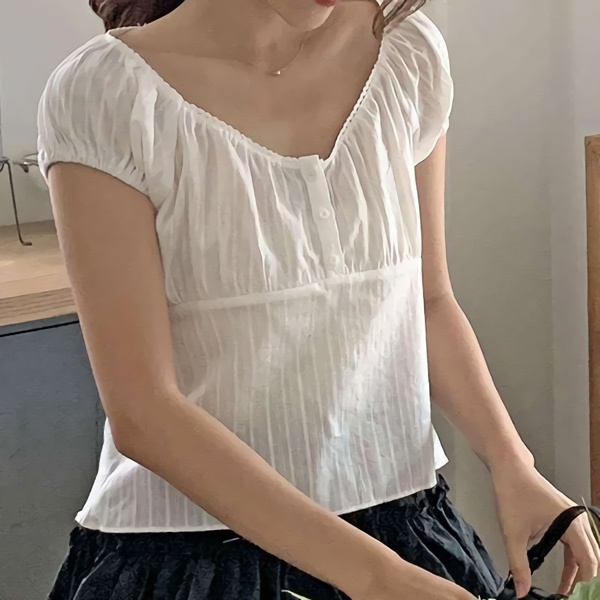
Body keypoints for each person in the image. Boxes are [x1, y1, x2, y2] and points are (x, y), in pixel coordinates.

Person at [38, 1, 600, 598]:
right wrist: (376, 578)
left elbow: (428, 300)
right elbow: (146, 413)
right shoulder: (105, 93)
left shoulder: (405, 54)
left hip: (404, 532)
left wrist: (512, 462)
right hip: (193, 563)